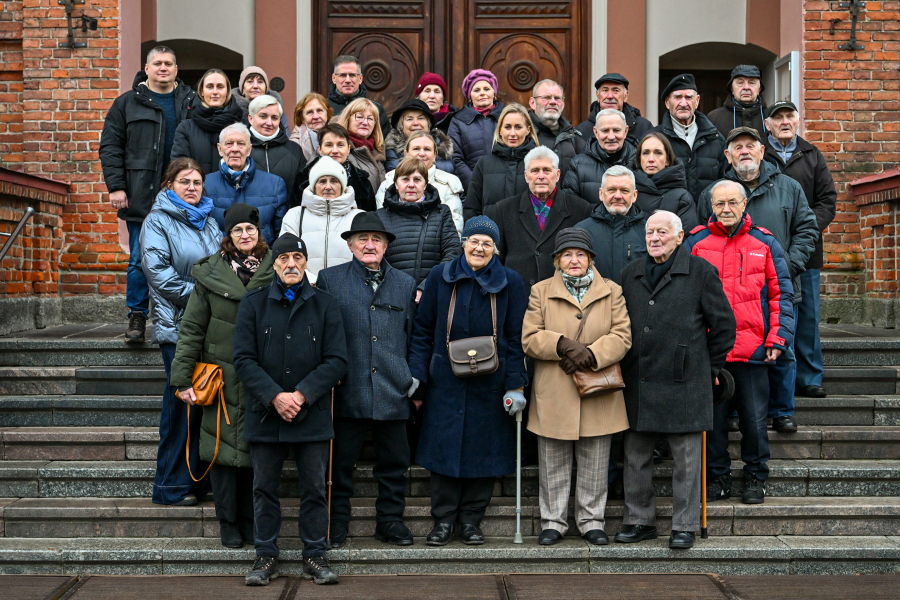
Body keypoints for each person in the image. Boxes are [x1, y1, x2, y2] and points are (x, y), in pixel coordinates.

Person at [616, 210, 735, 550]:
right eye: (650, 232)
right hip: (639, 377)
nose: (654, 238)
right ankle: (639, 520)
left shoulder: (700, 272)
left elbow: (724, 326)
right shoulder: (630, 273)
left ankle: (685, 525)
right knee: (636, 454)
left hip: (685, 380)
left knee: (686, 459)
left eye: (662, 233)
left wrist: (708, 369)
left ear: (680, 237)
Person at [233, 232, 347, 587]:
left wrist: (300, 395)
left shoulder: (325, 304)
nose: (291, 264)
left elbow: (337, 360)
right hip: (266, 412)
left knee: (314, 487)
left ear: (306, 262)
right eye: (283, 259)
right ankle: (265, 555)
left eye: (297, 258)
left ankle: (314, 554)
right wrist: (275, 396)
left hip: (310, 413)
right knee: (264, 488)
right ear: (275, 264)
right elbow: (243, 359)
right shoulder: (253, 304)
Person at [409, 216, 528, 546]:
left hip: (491, 381)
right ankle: (443, 521)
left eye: (487, 243)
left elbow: (516, 337)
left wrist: (515, 385)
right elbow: (421, 331)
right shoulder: (439, 276)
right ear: (463, 242)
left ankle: (472, 521)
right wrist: (418, 373)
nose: (479, 247)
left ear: (496, 249)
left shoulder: (511, 282)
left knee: (484, 451)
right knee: (442, 450)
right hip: (444, 380)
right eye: (474, 240)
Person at [698, 126, 818, 433]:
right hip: (730, 292)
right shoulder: (714, 193)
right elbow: (703, 237)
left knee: (782, 350)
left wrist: (787, 266)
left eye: (751, 145)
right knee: (734, 351)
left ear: (762, 150)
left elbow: (807, 229)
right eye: (737, 147)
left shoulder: (789, 187)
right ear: (728, 155)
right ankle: (738, 410)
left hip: (779, 285)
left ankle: (781, 410)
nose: (745, 151)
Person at [169, 203, 274, 547]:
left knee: (258, 455)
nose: (245, 236)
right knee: (222, 452)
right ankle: (228, 521)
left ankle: (254, 521)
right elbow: (192, 329)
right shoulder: (211, 273)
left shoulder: (277, 268)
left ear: (259, 233)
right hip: (221, 378)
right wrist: (182, 379)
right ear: (228, 236)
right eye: (238, 230)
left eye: (251, 230)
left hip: (262, 377)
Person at [686, 180, 794, 505]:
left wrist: (778, 336)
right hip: (711, 353)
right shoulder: (696, 243)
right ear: (711, 206)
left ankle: (755, 476)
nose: (726, 209)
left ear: (744, 204)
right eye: (720, 204)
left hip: (753, 351)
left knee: (755, 422)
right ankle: (717, 477)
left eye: (732, 202)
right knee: (713, 424)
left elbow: (781, 294)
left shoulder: (765, 243)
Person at [522, 227, 631, 546]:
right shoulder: (540, 291)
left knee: (596, 460)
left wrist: (591, 354)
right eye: (567, 254)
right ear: (557, 260)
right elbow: (529, 338)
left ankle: (591, 520)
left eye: (580, 254)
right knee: (553, 460)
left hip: (598, 388)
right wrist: (561, 345)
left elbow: (623, 336)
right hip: (555, 390)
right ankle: (553, 521)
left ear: (590, 259)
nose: (573, 260)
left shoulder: (613, 290)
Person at [316, 212, 419, 548]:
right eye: (363, 239)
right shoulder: (330, 280)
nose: (370, 245)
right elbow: (321, 334)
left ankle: (390, 522)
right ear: (350, 244)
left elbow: (415, 336)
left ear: (386, 245)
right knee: (340, 467)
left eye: (377, 239)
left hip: (394, 389)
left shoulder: (405, 283)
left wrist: (413, 379)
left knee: (394, 466)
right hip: (347, 389)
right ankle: (336, 525)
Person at [100, 45, 197, 343]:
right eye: (158, 63)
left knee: (185, 258)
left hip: (183, 195)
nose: (163, 68)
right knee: (140, 259)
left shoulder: (191, 102)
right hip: (141, 194)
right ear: (147, 68)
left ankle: (185, 317)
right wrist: (116, 186)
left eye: (169, 63)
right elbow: (110, 146)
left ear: (177, 69)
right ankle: (138, 316)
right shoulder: (127, 104)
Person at [140, 157, 221, 506]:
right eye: (184, 181)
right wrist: (208, 294)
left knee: (205, 403)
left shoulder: (209, 221)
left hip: (211, 326)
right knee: (181, 408)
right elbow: (159, 275)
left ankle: (199, 480)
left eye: (197, 182)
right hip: (178, 326)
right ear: (168, 185)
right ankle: (171, 485)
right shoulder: (157, 221)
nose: (192, 188)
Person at [764, 100, 837, 399]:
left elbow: (827, 201)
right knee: (772, 316)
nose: (784, 121)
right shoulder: (758, 153)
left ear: (797, 121)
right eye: (777, 117)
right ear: (767, 123)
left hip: (806, 252)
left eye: (789, 116)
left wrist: (804, 228)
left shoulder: (812, 155)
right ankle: (775, 382)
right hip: (768, 250)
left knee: (806, 317)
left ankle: (808, 378)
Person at [486, 147, 592, 294]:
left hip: (563, 298)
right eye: (535, 171)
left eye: (547, 170)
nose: (541, 176)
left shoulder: (580, 209)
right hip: (517, 296)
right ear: (526, 176)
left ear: (557, 175)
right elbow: (496, 258)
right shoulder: (504, 209)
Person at [376, 157, 461, 288]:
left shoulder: (441, 213)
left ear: (425, 185)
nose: (411, 184)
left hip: (432, 294)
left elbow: (453, 253)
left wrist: (426, 287)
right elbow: (375, 260)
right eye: (405, 179)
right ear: (396, 184)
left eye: (417, 179)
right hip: (392, 296)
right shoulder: (380, 216)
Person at [280, 155, 363, 283]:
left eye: (334, 181)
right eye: (322, 181)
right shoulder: (295, 216)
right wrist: (312, 282)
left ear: (342, 185)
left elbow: (365, 258)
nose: (328, 186)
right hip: (306, 289)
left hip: (347, 289)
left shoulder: (359, 217)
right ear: (313, 186)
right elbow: (285, 254)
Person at [204, 123, 287, 246]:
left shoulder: (275, 184)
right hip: (220, 260)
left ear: (249, 149)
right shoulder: (205, 184)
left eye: (241, 144)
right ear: (220, 149)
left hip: (262, 260)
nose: (235, 149)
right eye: (229, 143)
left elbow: (280, 235)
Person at [654, 73, 726, 201]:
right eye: (677, 97)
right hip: (668, 216)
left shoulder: (715, 139)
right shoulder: (655, 139)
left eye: (688, 97)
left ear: (697, 101)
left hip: (707, 216)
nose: (683, 103)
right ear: (667, 102)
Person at [376, 130, 465, 232]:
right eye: (416, 149)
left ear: (435, 155)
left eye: (427, 149)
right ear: (406, 153)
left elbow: (454, 227)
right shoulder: (389, 182)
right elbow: (381, 224)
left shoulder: (449, 182)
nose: (422, 153)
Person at [464, 103, 538, 220]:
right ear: (500, 130)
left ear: (528, 130)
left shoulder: (538, 163)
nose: (512, 133)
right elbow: (472, 208)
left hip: (529, 236)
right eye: (507, 127)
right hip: (492, 235)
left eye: (518, 127)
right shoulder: (484, 164)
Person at [575, 166, 647, 283]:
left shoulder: (649, 232)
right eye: (611, 190)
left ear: (634, 195)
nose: (618, 196)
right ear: (601, 193)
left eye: (624, 190)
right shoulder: (581, 231)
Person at [171, 68, 244, 176]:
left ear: (227, 91)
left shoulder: (240, 127)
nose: (215, 92)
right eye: (210, 87)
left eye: (220, 87)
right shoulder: (186, 128)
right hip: (196, 191)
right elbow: (179, 168)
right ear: (201, 91)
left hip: (231, 191)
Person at [562, 108, 636, 205]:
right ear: (596, 132)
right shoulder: (578, 165)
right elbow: (570, 205)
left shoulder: (638, 162)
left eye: (616, 130)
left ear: (625, 131)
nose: (611, 137)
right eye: (605, 131)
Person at [448, 68, 505, 190]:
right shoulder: (458, 120)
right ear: (469, 96)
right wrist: (474, 184)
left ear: (494, 93)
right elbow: (456, 157)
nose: (482, 93)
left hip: (506, 185)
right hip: (474, 187)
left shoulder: (508, 115)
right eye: (476, 90)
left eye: (486, 89)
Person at [247, 95, 308, 210]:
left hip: (286, 221)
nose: (269, 123)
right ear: (251, 118)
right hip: (248, 222)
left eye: (274, 118)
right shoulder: (240, 148)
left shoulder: (294, 150)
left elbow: (302, 191)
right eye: (263, 116)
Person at [300, 122, 377, 212]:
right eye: (329, 145)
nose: (335, 150)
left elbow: (370, 219)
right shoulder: (302, 179)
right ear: (320, 149)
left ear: (348, 149)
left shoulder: (363, 182)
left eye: (340, 145)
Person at [633, 132, 698, 230]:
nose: (651, 159)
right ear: (639, 159)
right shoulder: (627, 192)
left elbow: (687, 238)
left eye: (658, 153)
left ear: (667, 160)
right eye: (646, 153)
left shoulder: (682, 197)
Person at [527, 79, 585, 179]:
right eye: (547, 97)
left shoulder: (573, 138)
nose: (553, 102)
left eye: (557, 98)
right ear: (533, 103)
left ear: (562, 104)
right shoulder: (522, 135)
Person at [576, 73, 653, 146]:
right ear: (598, 96)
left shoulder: (643, 127)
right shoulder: (583, 130)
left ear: (626, 96)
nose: (610, 96)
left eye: (616, 90)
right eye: (605, 90)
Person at [327, 54, 390, 137]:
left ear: (360, 78)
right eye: (343, 75)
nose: (348, 80)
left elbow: (382, 143)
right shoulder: (323, 108)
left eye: (352, 75)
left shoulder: (376, 109)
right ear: (334, 78)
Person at [384, 98, 454, 172]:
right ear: (401, 126)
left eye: (420, 118)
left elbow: (449, 168)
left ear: (428, 124)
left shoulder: (442, 145)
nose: (415, 123)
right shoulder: (392, 148)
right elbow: (397, 173)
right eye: (409, 119)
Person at [336, 98, 386, 197]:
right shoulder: (337, 148)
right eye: (359, 117)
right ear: (348, 119)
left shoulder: (378, 150)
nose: (365, 122)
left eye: (370, 119)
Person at [708, 65, 768, 140]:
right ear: (732, 89)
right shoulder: (714, 118)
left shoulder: (770, 116)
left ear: (759, 89)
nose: (746, 87)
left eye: (751, 83)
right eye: (740, 83)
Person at [233, 66, 289, 133]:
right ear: (242, 88)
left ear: (265, 88)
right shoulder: (229, 112)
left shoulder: (279, 115)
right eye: (250, 81)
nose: (255, 86)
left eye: (260, 82)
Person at [290, 92, 333, 163]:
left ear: (327, 113)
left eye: (319, 111)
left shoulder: (338, 134)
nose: (316, 116)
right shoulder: (294, 144)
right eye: (310, 112)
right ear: (302, 118)